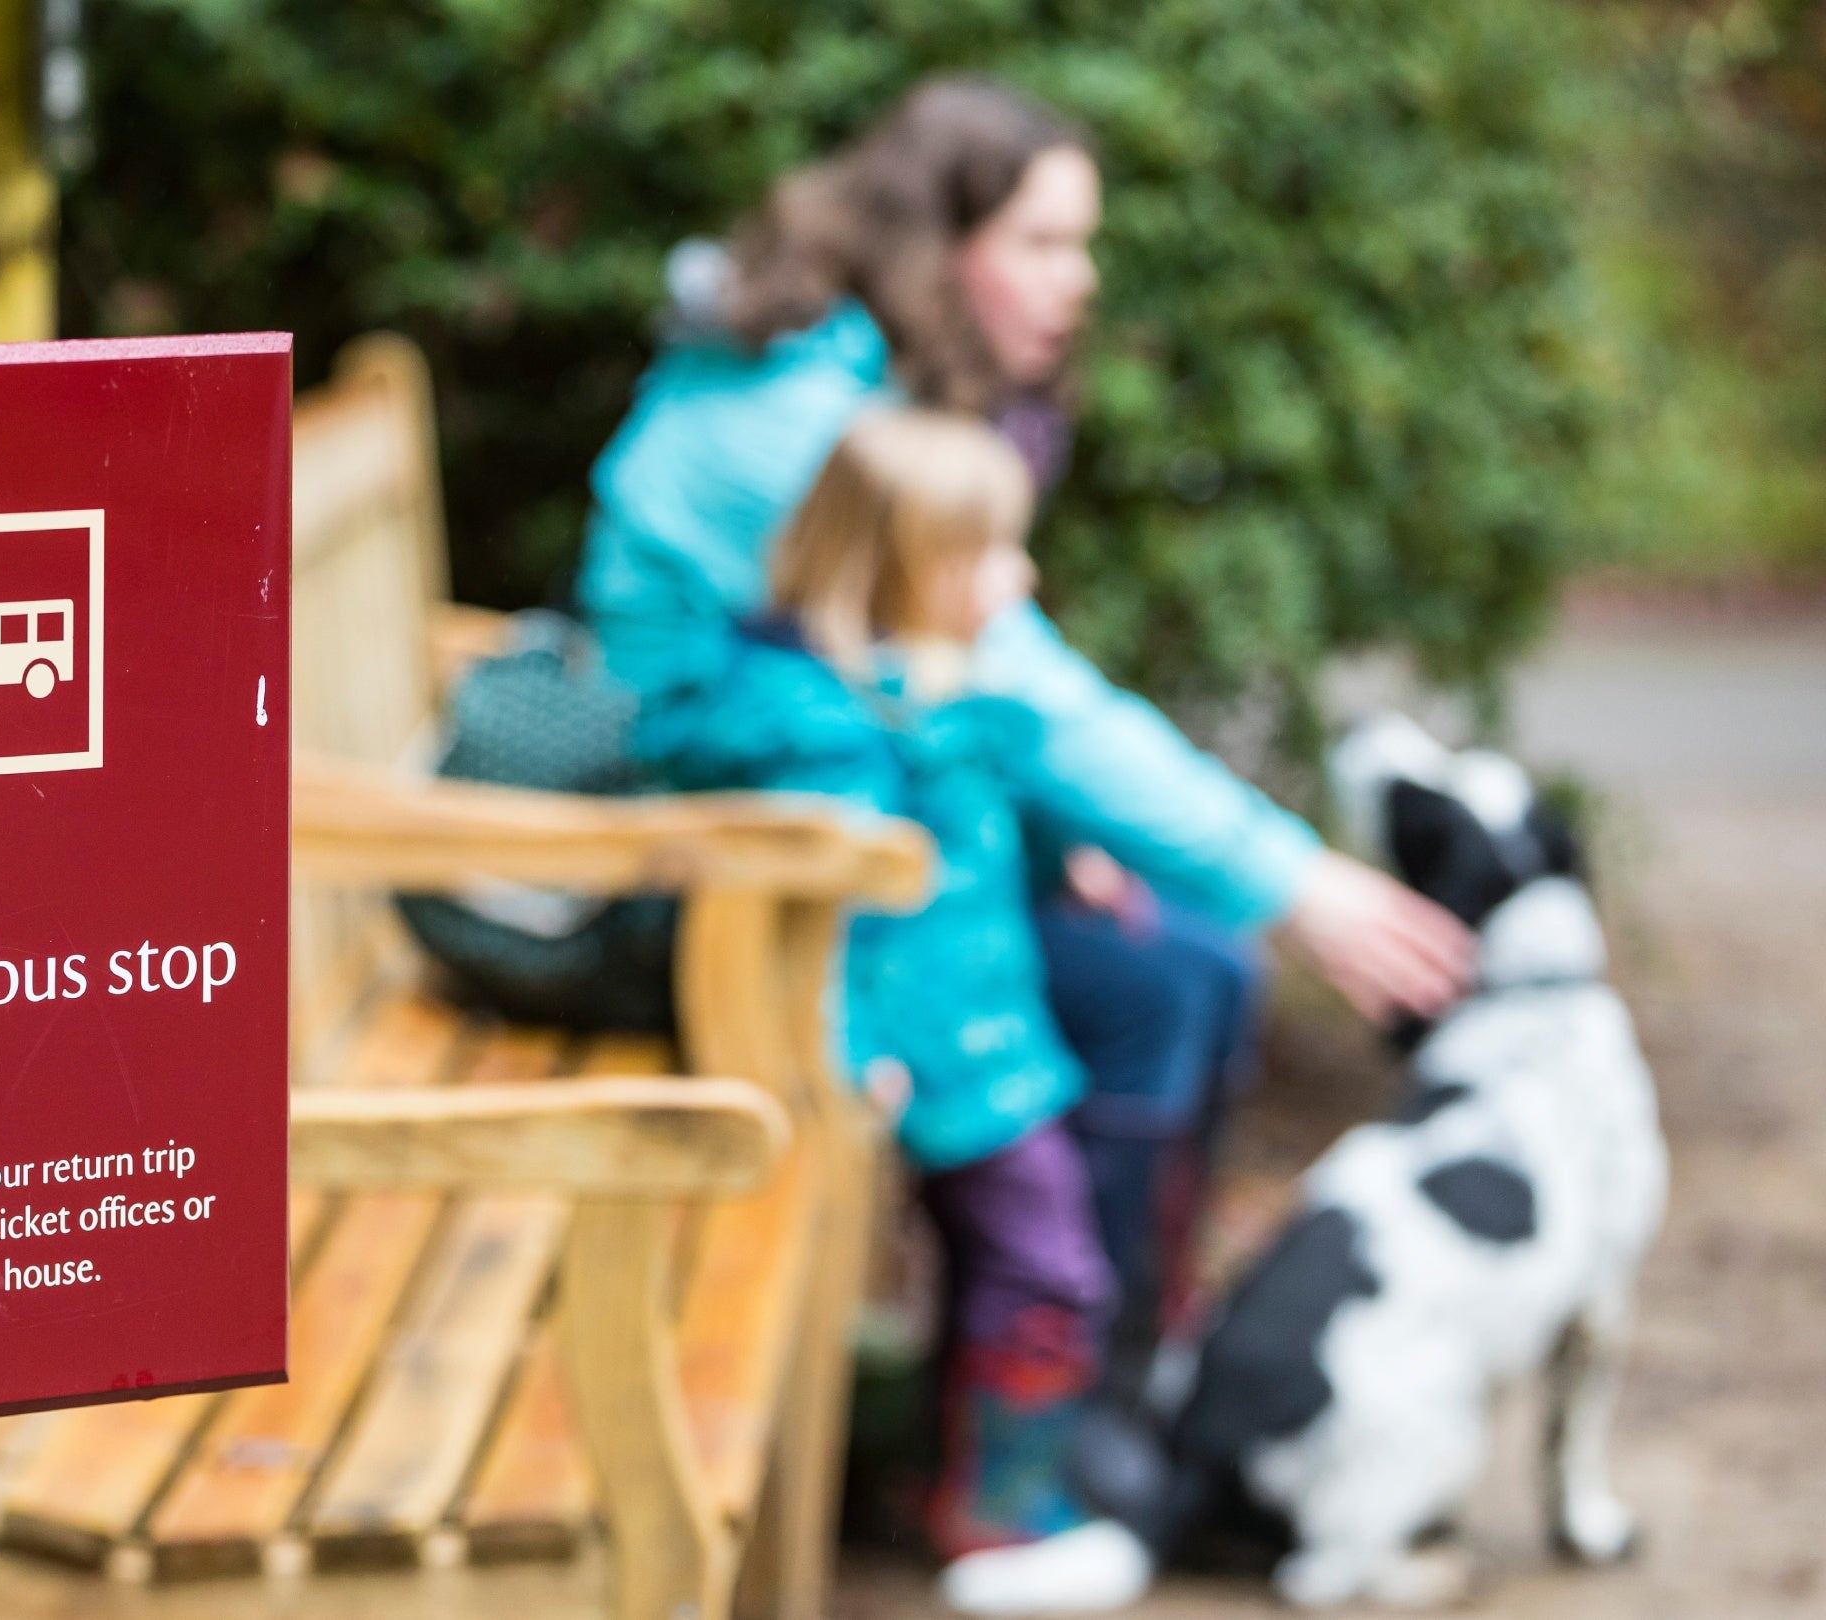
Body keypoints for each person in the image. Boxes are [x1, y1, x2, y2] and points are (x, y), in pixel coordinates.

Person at [582, 77, 1476, 1403]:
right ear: (940, 247)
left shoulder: (845, 373)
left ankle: (1111, 1376)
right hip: (711, 878)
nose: (1082, 278)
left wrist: (1066, 841)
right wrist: (1292, 878)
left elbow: (921, 693)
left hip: (824, 831)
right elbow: (1012, 694)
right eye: (1047, 242)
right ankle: (1044, 1418)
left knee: (1183, 963)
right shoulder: (799, 422)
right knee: (1162, 981)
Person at [751, 408, 1142, 1613]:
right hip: (947, 1063)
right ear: (900, 570)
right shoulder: (841, 739)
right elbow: (830, 924)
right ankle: (1003, 1519)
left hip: (989, 1040)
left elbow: (973, 832)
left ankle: (951, 1478)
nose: (1020, 579)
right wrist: (848, 1052)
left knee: (988, 1262)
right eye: (990, 555)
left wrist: (1057, 853)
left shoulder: (941, 700)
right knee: (1050, 1272)